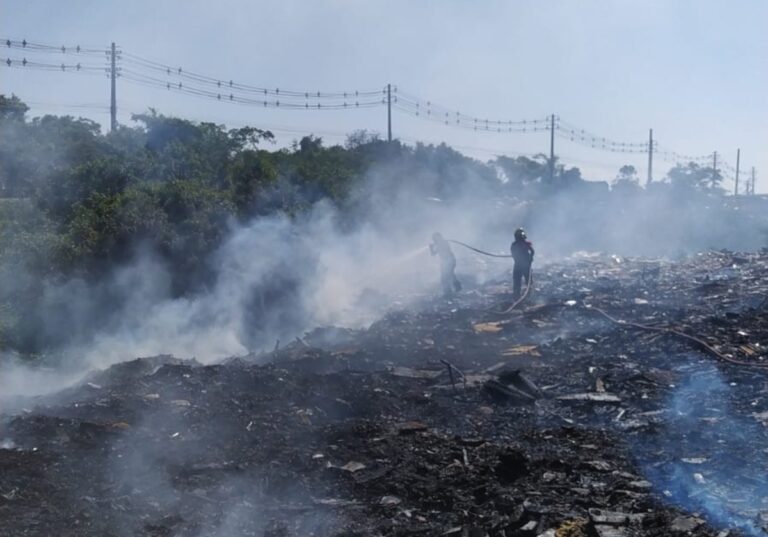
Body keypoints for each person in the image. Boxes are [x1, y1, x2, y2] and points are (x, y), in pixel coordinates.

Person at [430, 232, 462, 296]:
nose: (435, 240)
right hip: (445, 262)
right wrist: (431, 248)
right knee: (450, 274)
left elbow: (443, 251)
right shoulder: (440, 244)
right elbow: (433, 254)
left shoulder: (444, 243)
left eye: (435, 239)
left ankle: (449, 290)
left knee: (446, 276)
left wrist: (434, 246)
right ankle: (456, 287)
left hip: (449, 260)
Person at [510, 228, 534, 298]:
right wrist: (530, 258)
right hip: (523, 265)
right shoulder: (525, 244)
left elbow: (513, 254)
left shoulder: (514, 245)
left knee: (518, 281)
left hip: (518, 265)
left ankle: (517, 296)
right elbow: (532, 252)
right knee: (526, 281)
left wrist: (529, 258)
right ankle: (527, 296)